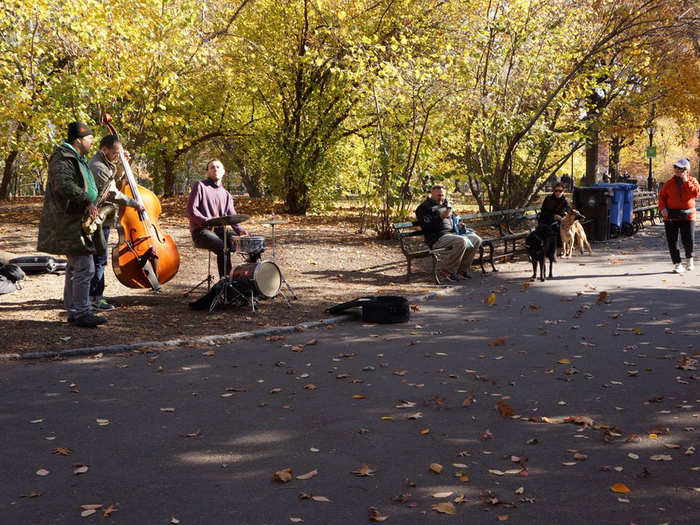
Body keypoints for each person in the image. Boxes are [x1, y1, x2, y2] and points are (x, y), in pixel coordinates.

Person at [37, 121, 106, 328]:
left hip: (76, 219)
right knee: (85, 266)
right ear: (79, 140)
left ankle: (74, 311)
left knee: (74, 267)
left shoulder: (78, 158)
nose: (92, 142)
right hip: (67, 220)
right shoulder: (62, 158)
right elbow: (64, 185)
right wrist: (86, 200)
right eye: (90, 139)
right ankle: (82, 313)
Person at [87, 135, 144, 310]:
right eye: (114, 153)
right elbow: (113, 193)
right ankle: (95, 298)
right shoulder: (97, 166)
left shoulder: (103, 162)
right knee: (99, 259)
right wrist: (135, 203)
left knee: (98, 259)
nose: (116, 156)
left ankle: (96, 295)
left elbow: (113, 180)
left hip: (103, 218)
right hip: (98, 218)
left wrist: (120, 165)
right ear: (104, 149)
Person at [187, 159, 248, 277]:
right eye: (212, 167)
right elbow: (191, 211)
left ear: (223, 171)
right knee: (222, 247)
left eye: (218, 167)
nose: (215, 169)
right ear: (207, 172)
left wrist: (241, 231)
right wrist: (206, 221)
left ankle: (246, 280)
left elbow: (232, 217)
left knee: (243, 243)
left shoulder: (226, 194)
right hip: (201, 231)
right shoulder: (200, 186)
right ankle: (225, 285)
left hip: (220, 231)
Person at [415, 185, 482, 281]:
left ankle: (462, 270)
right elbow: (426, 227)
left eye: (442, 195)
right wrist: (440, 217)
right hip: (437, 238)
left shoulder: (445, 205)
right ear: (431, 194)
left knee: (476, 239)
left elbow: (456, 218)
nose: (441, 198)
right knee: (461, 241)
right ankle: (449, 271)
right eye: (438, 195)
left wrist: (459, 224)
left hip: (453, 234)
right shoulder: (424, 208)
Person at [658, 158, 698, 274]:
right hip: (671, 216)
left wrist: (686, 181)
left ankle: (689, 260)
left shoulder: (692, 181)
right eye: (675, 167)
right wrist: (662, 208)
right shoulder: (669, 183)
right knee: (672, 241)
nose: (677, 170)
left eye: (680, 168)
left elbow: (695, 193)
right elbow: (662, 197)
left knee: (688, 240)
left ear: (686, 170)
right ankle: (677, 264)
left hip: (688, 215)